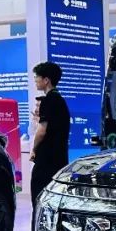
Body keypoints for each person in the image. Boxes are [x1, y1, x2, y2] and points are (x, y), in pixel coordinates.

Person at [30, 61, 70, 204]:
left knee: (39, 197)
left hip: (46, 159)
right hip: (59, 158)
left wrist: (34, 149)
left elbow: (42, 131)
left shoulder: (48, 101)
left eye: (37, 77)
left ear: (46, 80)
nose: (35, 80)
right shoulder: (60, 100)